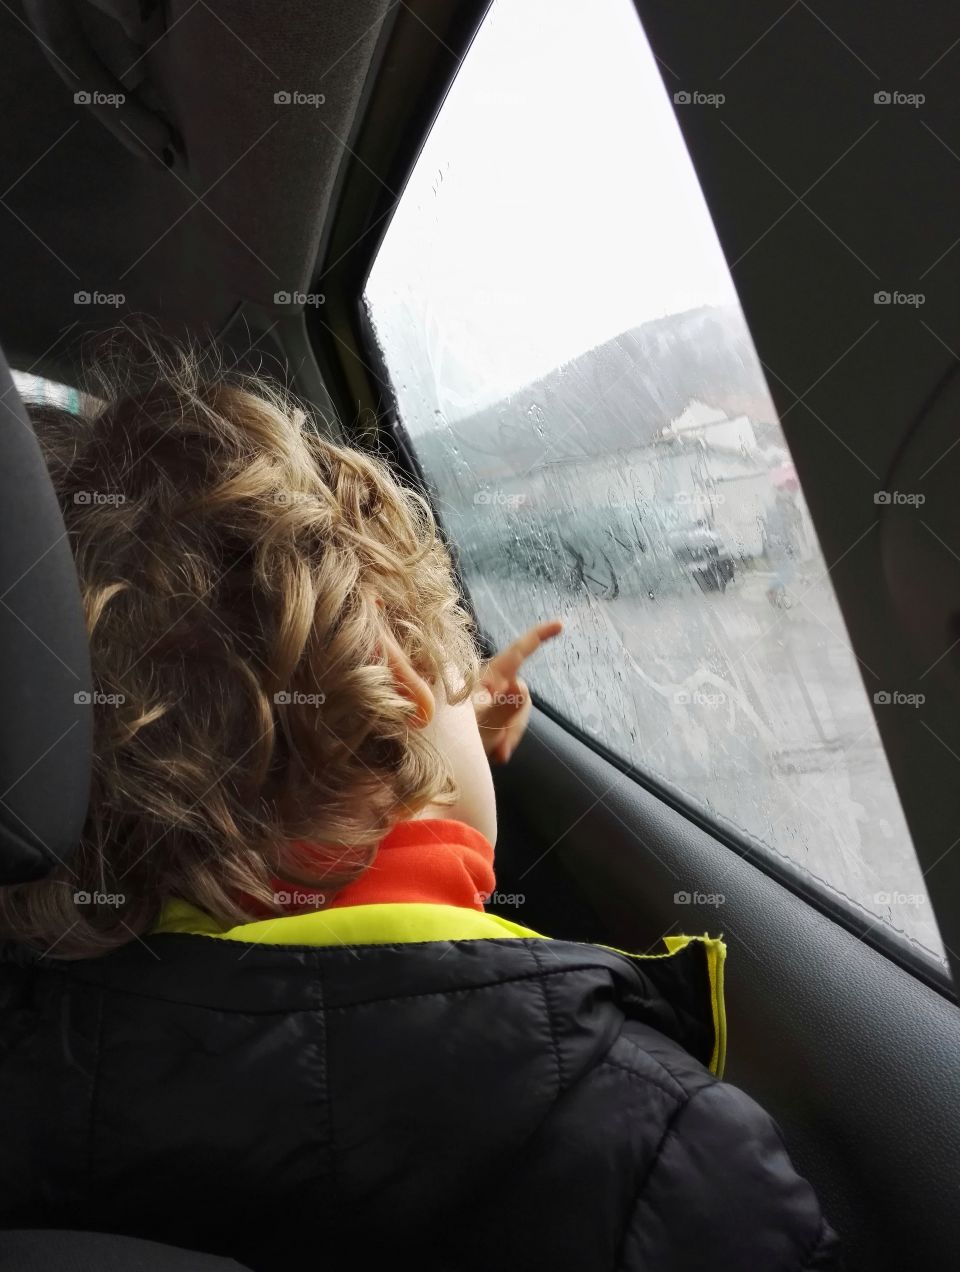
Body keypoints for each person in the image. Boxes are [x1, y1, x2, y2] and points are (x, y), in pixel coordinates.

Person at [0, 344, 839, 1270]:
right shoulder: (648, 1140)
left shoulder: (46, 1063)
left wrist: (436, 732)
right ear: (394, 703)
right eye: (451, 670)